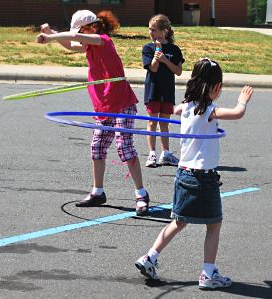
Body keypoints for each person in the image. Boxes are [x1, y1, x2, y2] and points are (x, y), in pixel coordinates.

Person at [135, 58, 253, 289]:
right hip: (203, 177)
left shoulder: (185, 108)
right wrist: (243, 101)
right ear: (216, 87)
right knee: (214, 224)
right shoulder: (209, 110)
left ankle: (150, 256)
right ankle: (208, 274)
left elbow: (176, 109)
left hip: (184, 173)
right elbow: (238, 113)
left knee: (178, 221)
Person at [37, 10, 150, 216]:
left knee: (125, 148)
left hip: (121, 104)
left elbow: (76, 38)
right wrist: (51, 32)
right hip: (103, 106)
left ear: (93, 27)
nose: (79, 34)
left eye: (81, 29)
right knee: (97, 148)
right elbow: (72, 44)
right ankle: (98, 192)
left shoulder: (102, 40)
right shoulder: (89, 46)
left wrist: (49, 37)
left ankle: (141, 194)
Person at [142, 14, 184, 168]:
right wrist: (157, 52)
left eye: (153, 30)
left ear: (164, 31)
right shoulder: (148, 48)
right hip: (153, 90)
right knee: (152, 121)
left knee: (164, 122)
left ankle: (165, 153)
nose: (150, 33)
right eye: (149, 30)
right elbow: (153, 68)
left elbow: (178, 71)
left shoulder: (174, 49)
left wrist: (166, 59)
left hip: (167, 90)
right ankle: (152, 154)